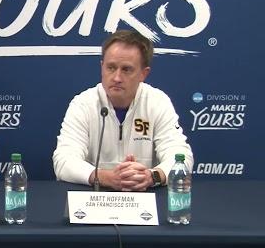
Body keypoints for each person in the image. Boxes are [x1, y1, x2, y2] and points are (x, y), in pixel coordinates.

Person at [52, 29, 193, 191]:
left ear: (143, 74)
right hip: (94, 199)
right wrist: (105, 177)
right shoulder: (83, 104)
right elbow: (63, 161)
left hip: (145, 198)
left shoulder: (157, 102)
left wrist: (151, 176)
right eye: (111, 68)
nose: (117, 78)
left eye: (126, 69)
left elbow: (182, 158)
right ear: (101, 67)